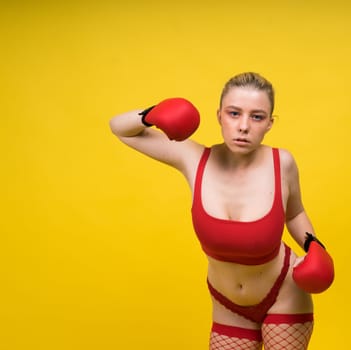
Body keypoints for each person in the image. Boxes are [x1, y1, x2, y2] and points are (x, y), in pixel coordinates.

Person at [109, 72, 333, 349]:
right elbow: (119, 128)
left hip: (284, 294)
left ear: (270, 124)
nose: (243, 126)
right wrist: (153, 113)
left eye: (257, 117)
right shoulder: (192, 158)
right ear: (219, 116)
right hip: (227, 305)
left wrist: (314, 246)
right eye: (234, 113)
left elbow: (295, 213)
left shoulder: (281, 162)